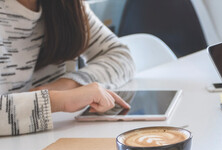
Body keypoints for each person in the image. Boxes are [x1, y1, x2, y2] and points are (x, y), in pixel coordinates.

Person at [0, 0, 134, 136]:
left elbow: (119, 56)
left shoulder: (66, 5)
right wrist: (56, 101)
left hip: (49, 140)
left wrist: (67, 84)